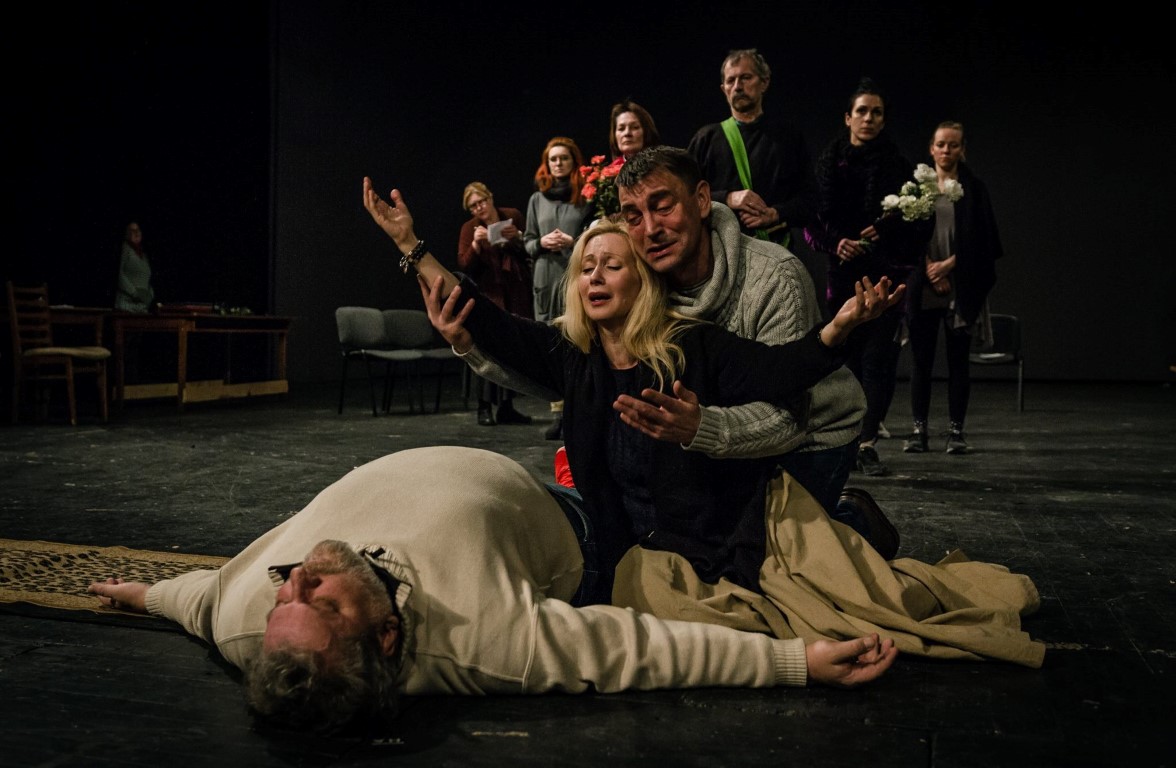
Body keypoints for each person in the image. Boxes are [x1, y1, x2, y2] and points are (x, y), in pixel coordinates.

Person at [363, 180, 1044, 686]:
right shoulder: (572, 356)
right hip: (636, 538)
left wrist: (840, 328)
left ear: (641, 279)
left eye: (613, 264)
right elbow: (480, 316)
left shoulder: (691, 344)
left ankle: (844, 521)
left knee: (833, 607)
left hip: (722, 528)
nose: (596, 275)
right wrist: (409, 246)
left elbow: (781, 372)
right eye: (587, 267)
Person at [89, 445, 900, 736]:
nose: (298, 577)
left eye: (290, 597)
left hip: (465, 470)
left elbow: (200, 601)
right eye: (325, 601)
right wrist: (798, 662)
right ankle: (843, 512)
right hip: (566, 525)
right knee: (687, 509)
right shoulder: (486, 642)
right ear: (387, 637)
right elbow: (641, 650)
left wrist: (144, 593)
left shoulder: (246, 622)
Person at [467, 147, 883, 548]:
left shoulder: (774, 279)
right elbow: (563, 363)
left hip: (808, 434)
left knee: (771, 558)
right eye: (634, 216)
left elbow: (787, 416)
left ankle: (851, 523)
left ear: (701, 199)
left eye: (663, 207)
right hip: (710, 426)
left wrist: (702, 427)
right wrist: (468, 341)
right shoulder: (645, 274)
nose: (651, 228)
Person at [805, 77, 928, 477]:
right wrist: (835, 243)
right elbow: (811, 223)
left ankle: (868, 443)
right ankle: (844, 441)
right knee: (847, 361)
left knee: (879, 361)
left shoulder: (898, 166)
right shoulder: (828, 164)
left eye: (877, 112)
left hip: (885, 276)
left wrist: (887, 229)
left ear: (883, 119)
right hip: (843, 278)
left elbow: (917, 223)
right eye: (862, 111)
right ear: (848, 117)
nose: (869, 118)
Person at [903, 122, 1004, 455]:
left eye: (953, 145)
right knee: (921, 361)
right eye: (941, 144)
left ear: (962, 150)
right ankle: (918, 431)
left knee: (958, 361)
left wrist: (947, 266)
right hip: (924, 283)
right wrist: (930, 270)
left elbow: (985, 240)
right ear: (931, 148)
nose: (946, 150)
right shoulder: (915, 188)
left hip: (961, 284)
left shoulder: (974, 188)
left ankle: (956, 432)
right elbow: (906, 238)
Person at [686, 49, 817, 257]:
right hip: (721, 257)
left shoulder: (788, 137)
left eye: (746, 77)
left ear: (764, 82)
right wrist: (728, 198)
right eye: (731, 81)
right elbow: (686, 197)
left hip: (778, 255)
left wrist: (775, 214)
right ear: (723, 89)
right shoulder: (706, 139)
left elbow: (810, 199)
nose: (737, 86)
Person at [524, 136, 592, 439]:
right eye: (553, 159)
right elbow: (527, 242)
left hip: (573, 273)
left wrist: (572, 242)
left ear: (573, 161)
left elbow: (595, 238)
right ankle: (558, 413)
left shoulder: (586, 197)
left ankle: (577, 412)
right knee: (550, 343)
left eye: (564, 158)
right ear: (546, 164)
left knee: (577, 339)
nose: (558, 163)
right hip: (545, 277)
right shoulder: (536, 200)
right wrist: (541, 242)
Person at [456, 181, 533, 427]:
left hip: (514, 292)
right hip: (488, 294)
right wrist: (476, 245)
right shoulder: (470, 228)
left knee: (510, 348)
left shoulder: (511, 216)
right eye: (473, 206)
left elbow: (530, 249)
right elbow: (464, 265)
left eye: (482, 201)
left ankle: (507, 407)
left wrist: (516, 238)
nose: (479, 208)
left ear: (490, 198)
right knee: (486, 348)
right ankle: (484, 406)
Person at [114, 221, 155, 313]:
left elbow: (147, 277)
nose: (136, 232)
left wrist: (150, 294)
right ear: (126, 233)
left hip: (141, 307)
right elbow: (119, 274)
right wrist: (134, 292)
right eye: (132, 230)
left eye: (138, 230)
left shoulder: (144, 255)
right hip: (126, 306)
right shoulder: (124, 249)